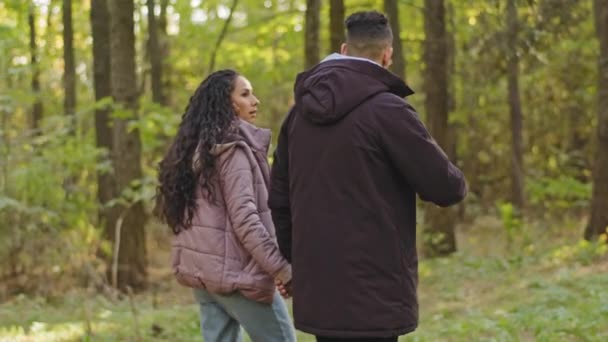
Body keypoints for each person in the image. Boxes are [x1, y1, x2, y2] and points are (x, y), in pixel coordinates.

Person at [269, 11, 466, 342]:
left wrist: (294, 266)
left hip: (319, 287)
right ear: (388, 54)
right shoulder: (389, 111)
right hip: (375, 292)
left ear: (345, 50)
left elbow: (279, 200)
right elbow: (447, 188)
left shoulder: (297, 116)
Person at [155, 69, 296, 342]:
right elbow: (246, 221)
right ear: (228, 103)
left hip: (205, 277)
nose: (255, 101)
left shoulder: (195, 150)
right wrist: (281, 269)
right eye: (245, 94)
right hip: (239, 278)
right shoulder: (232, 151)